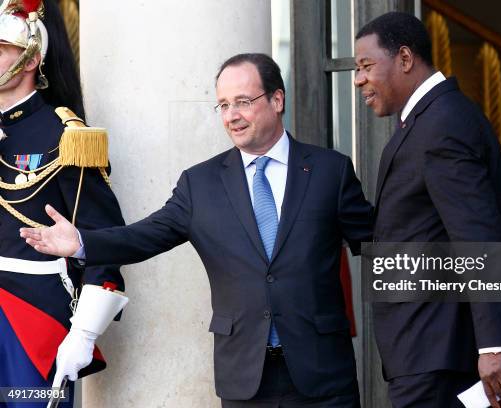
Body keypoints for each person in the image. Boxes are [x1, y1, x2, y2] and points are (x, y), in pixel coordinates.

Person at [21, 53, 372, 407]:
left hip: (324, 374)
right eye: (222, 105)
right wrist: (82, 242)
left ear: (277, 100)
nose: (231, 115)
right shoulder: (200, 184)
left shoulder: (331, 171)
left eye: (243, 102)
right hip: (245, 378)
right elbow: (144, 236)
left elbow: (376, 242)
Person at [353, 12, 501, 408]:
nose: (358, 79)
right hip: (426, 351)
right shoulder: (426, 121)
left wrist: (495, 345)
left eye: (366, 66)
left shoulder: (442, 123)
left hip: (436, 353)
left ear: (406, 59)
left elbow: (477, 235)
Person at [0, 1, 127, 407]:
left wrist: (86, 333)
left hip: (30, 316)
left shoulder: (67, 135)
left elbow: (105, 241)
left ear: (31, 58)